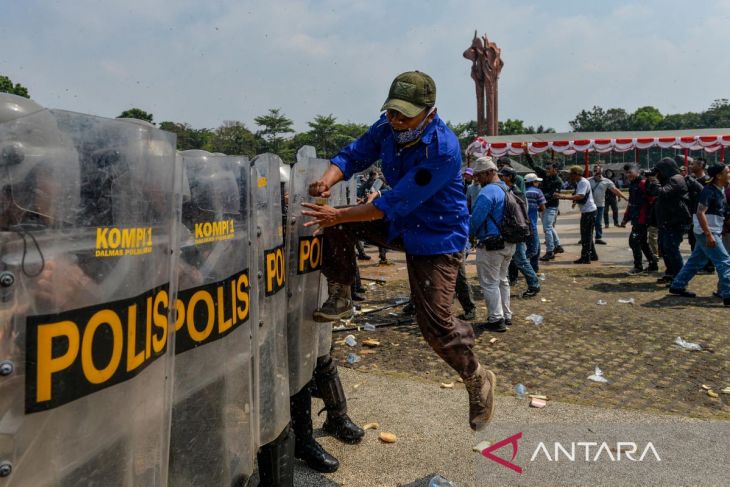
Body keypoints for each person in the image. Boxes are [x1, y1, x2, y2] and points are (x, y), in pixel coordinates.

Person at [302, 71, 496, 431]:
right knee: (338, 221)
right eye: (392, 111)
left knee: (435, 325)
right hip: (401, 223)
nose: (396, 120)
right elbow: (354, 155)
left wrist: (337, 214)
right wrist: (326, 181)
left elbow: (394, 201)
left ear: (429, 112)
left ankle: (476, 377)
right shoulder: (386, 128)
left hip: (436, 237)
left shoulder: (443, 149)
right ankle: (341, 291)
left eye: (405, 115)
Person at [669, 164, 730, 306]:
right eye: (727, 172)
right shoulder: (709, 191)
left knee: (696, 261)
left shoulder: (720, 189)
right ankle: (727, 294)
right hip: (707, 232)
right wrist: (709, 235)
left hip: (710, 230)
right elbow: (700, 212)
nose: (729, 174)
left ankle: (677, 285)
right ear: (719, 176)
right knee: (724, 261)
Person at [470, 157, 513, 332]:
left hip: (492, 244)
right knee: (503, 280)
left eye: (479, 175)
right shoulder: (506, 189)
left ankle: (496, 319)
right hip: (509, 242)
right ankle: (506, 314)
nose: (477, 179)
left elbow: (476, 220)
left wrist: (468, 233)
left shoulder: (487, 192)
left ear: (489, 172)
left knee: (489, 283)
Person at [498, 166, 540, 296]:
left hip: (516, 231)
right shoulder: (511, 190)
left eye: (502, 176)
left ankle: (534, 285)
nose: (500, 178)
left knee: (521, 260)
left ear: (509, 177)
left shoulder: (515, 193)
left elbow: (519, 215)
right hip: (515, 231)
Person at [648, 158, 692, 283]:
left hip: (675, 221)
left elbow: (662, 193)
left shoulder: (676, 179)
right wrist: (652, 181)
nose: (658, 173)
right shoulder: (668, 180)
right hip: (667, 221)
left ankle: (679, 278)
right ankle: (671, 273)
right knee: (664, 248)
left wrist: (655, 180)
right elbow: (651, 192)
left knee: (671, 248)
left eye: (659, 171)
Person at [522, 152, 564, 261]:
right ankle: (558, 245)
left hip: (551, 207)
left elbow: (552, 195)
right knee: (549, 227)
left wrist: (539, 198)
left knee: (547, 228)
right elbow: (533, 165)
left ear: (555, 169)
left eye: (549, 169)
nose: (547, 171)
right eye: (546, 169)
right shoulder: (544, 175)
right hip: (543, 206)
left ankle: (550, 251)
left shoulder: (558, 181)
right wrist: (527, 153)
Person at [620, 164, 659, 274]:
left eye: (630, 172)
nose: (628, 175)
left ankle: (638, 266)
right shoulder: (633, 184)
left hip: (643, 219)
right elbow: (631, 203)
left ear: (637, 172)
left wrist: (650, 217)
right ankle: (653, 264)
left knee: (633, 241)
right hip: (636, 218)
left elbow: (652, 199)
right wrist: (625, 219)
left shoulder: (643, 183)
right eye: (626, 173)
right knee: (642, 242)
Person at [556, 166, 598, 264]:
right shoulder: (580, 182)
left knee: (585, 236)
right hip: (588, 211)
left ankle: (585, 258)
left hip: (589, 212)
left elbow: (580, 196)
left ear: (576, 174)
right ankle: (593, 255)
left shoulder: (583, 182)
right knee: (588, 235)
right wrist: (574, 200)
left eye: (571, 174)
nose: (570, 176)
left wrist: (563, 197)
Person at [589, 163, 627, 244]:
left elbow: (615, 190)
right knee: (588, 222)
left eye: (597, 169)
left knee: (598, 222)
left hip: (600, 205)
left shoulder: (607, 181)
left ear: (601, 171)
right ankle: (586, 238)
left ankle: (598, 238)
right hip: (589, 205)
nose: (596, 170)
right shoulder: (588, 180)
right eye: (595, 169)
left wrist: (624, 197)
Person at [525, 173, 546, 272]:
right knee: (534, 249)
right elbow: (543, 207)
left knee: (535, 247)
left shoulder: (523, 191)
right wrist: (537, 208)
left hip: (523, 223)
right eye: (537, 181)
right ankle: (517, 263)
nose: (538, 183)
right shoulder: (538, 192)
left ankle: (534, 268)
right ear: (533, 182)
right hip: (532, 223)